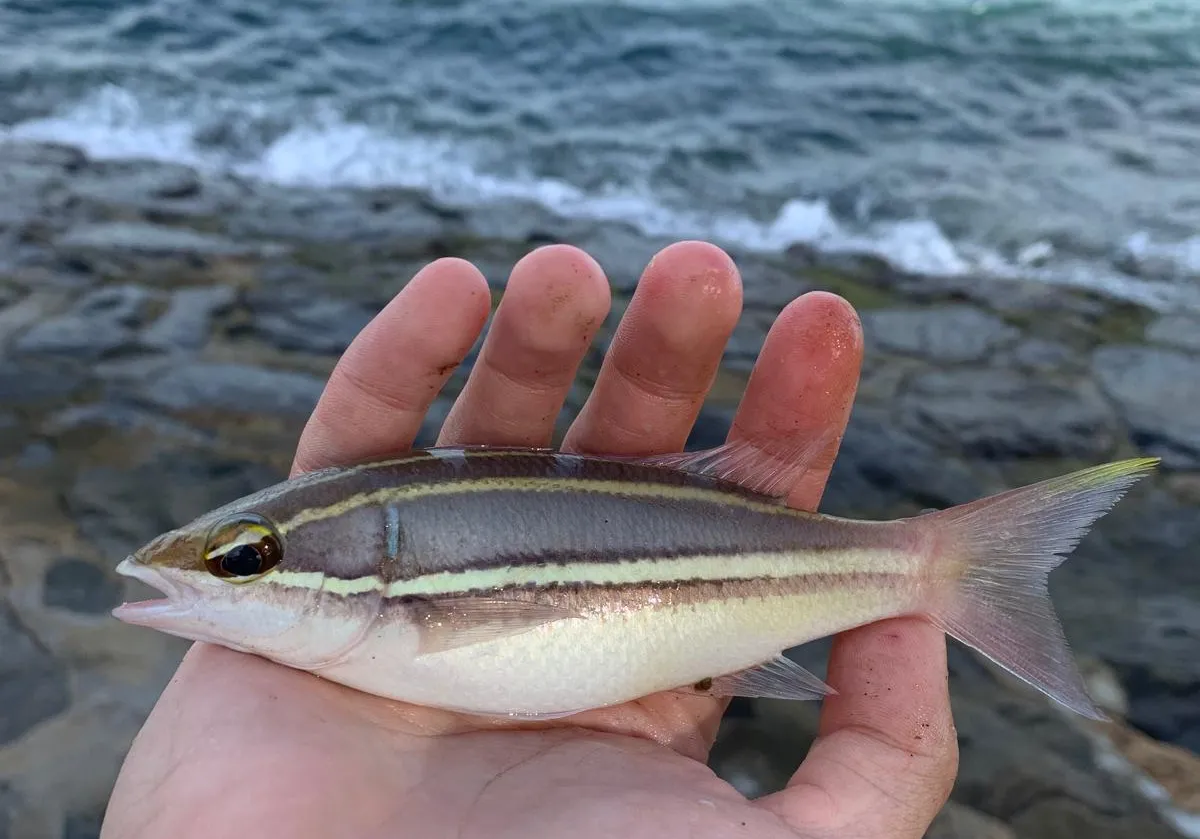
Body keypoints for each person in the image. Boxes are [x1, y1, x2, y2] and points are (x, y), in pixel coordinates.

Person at [100, 241, 958, 838]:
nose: (228, 574)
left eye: (247, 558)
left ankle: (947, 566)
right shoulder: (349, 641)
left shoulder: (379, 615)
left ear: (379, 558)